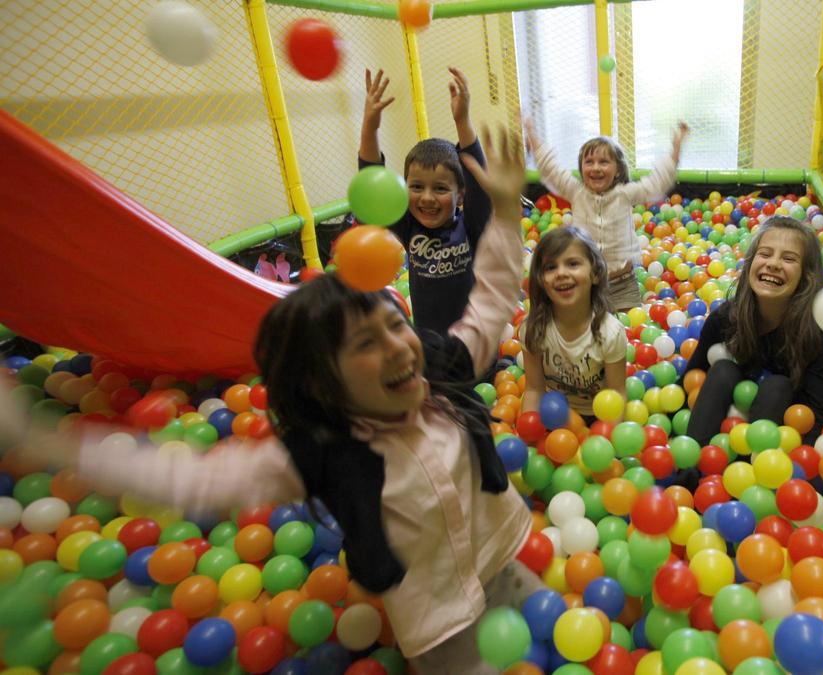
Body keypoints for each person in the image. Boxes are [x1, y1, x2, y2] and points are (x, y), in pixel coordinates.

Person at [2, 128, 540, 673]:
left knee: (540, 632)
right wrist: (45, 442)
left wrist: (504, 213)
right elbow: (196, 479)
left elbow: (489, 302)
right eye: (365, 344)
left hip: (500, 557)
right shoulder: (325, 451)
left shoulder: (439, 372)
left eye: (396, 325)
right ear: (325, 381)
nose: (398, 346)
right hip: (437, 616)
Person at [357, 67, 490, 335]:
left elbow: (479, 180)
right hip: (430, 342)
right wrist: (370, 127)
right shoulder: (409, 226)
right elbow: (373, 184)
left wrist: (463, 121)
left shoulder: (471, 226)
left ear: (460, 195)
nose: (427, 198)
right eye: (416, 187)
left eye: (440, 189)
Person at [685, 215, 823, 447]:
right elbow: (690, 380)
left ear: (806, 277)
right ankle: (693, 461)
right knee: (723, 370)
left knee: (778, 386)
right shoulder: (725, 319)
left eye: (789, 258)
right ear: (749, 264)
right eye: (765, 254)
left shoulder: (816, 334)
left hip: (778, 440)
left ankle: (752, 464)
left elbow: (822, 417)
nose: (773, 264)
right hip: (721, 432)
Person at [525, 119, 689, 311]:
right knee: (588, 326)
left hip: (623, 283)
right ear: (581, 168)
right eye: (589, 162)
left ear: (617, 170)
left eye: (604, 162)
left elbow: (656, 184)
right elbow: (551, 171)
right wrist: (532, 136)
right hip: (588, 286)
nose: (596, 168)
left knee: (629, 326)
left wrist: (675, 151)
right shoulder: (576, 193)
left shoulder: (625, 194)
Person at [520, 226, 628, 420]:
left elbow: (616, 394)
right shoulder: (533, 328)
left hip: (597, 416)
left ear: (595, 273)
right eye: (550, 267)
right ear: (541, 280)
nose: (561, 273)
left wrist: (607, 434)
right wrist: (529, 430)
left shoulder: (610, 333)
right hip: (553, 415)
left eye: (572, 264)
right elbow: (534, 389)